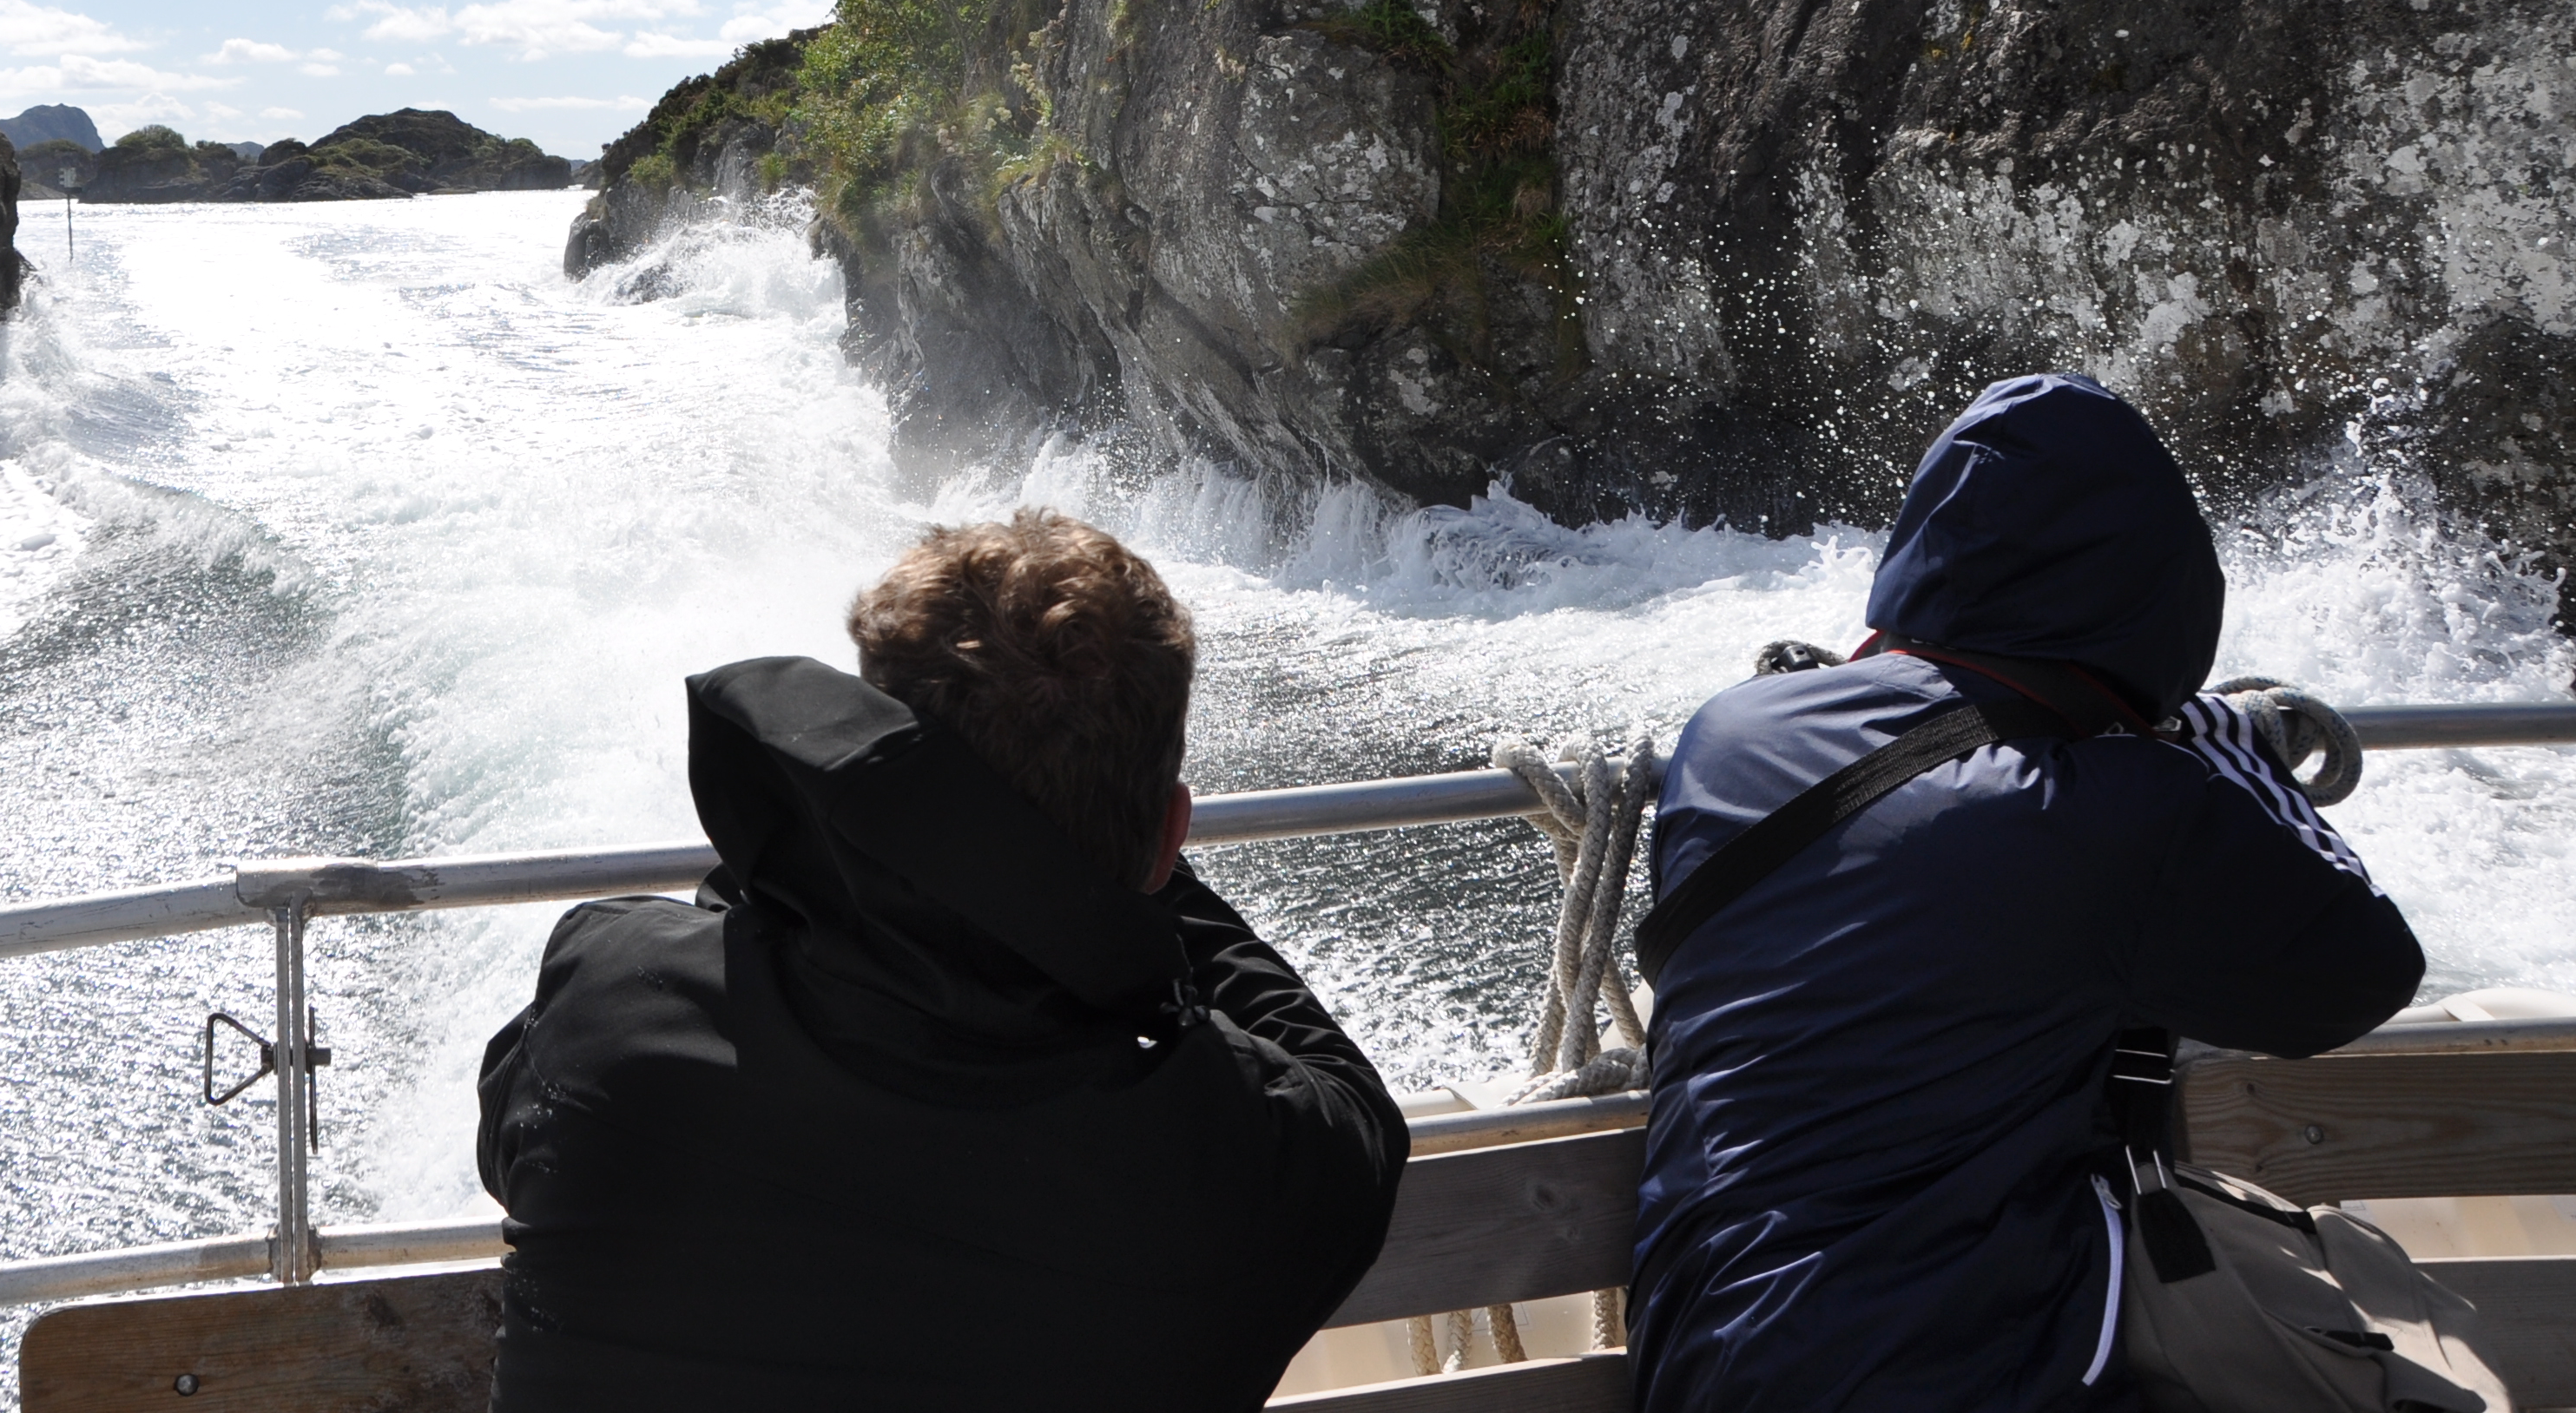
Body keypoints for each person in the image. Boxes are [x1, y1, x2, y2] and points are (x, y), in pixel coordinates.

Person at [475, 509, 1408, 1410]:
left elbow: (511, 1147)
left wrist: (825, 837)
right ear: (1169, 834)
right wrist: (1112, 859)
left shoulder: (610, 993)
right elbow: (1349, 1095)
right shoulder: (1256, 1171)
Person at [1628, 372, 2425, 1411]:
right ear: (2166, 592)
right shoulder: (2120, 812)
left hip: (1694, 1360)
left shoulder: (1728, 732)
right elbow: (2364, 969)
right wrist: (2228, 751)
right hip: (1959, 1376)